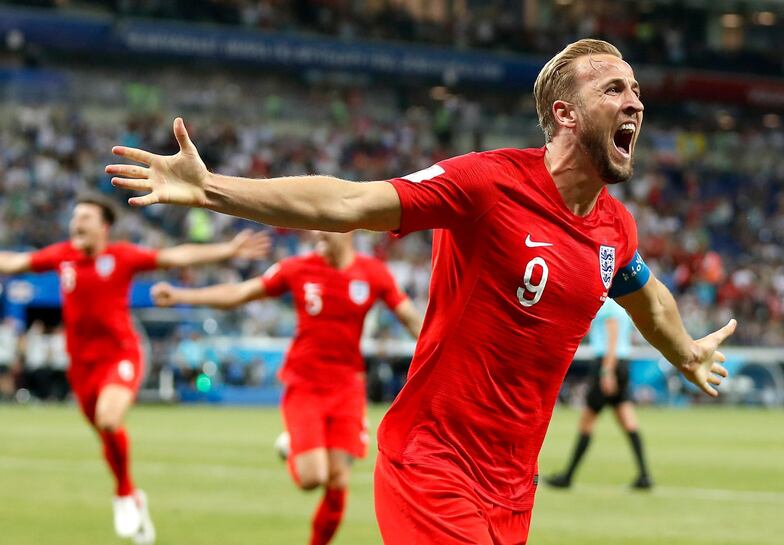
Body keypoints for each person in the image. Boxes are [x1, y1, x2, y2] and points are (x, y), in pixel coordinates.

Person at [107, 38, 736, 545]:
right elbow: (349, 201)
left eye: (636, 91)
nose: (635, 103)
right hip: (432, 466)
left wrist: (684, 349)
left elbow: (647, 298)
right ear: (564, 114)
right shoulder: (488, 185)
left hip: (513, 488)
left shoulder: (614, 229)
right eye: (614, 89)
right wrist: (215, 189)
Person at [0, 194, 270, 544]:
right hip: (81, 365)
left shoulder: (121, 257)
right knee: (106, 432)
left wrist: (226, 251)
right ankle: (133, 496)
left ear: (103, 227)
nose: (77, 223)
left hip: (120, 354)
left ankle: (123, 494)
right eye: (75, 217)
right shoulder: (63, 256)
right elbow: (14, 263)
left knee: (108, 419)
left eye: (85, 217)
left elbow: (173, 256)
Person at [150, 230, 422, 545]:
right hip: (304, 383)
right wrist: (183, 296)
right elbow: (241, 292)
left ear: (349, 229)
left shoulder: (372, 272)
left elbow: (409, 317)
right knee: (313, 479)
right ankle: (292, 446)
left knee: (338, 480)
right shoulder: (296, 267)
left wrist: (441, 349)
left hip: (348, 386)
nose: (318, 232)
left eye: (327, 225)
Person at [546, 297, 652, 490]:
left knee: (587, 421)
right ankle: (644, 476)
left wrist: (606, 371)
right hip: (621, 363)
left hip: (607, 363)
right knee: (628, 421)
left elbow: (612, 337)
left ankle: (568, 476)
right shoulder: (622, 305)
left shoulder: (609, 305)